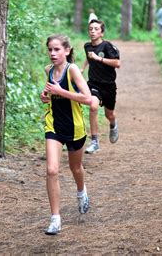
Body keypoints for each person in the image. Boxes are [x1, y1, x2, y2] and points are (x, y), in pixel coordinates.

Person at [40, 34, 93, 235]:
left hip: (75, 128)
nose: (53, 53)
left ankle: (81, 192)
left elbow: (87, 99)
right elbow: (48, 95)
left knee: (75, 167)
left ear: (67, 51)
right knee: (52, 170)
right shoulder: (48, 70)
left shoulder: (72, 71)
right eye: (50, 50)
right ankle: (55, 219)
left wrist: (60, 91)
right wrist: (44, 96)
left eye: (57, 50)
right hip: (53, 126)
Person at [80, 19, 121, 154]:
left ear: (102, 32)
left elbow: (117, 63)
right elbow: (88, 56)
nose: (93, 31)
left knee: (109, 114)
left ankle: (113, 124)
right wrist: (82, 68)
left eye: (96, 29)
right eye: (91, 29)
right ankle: (95, 142)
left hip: (108, 86)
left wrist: (99, 58)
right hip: (94, 83)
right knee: (93, 106)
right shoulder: (87, 46)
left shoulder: (107, 46)